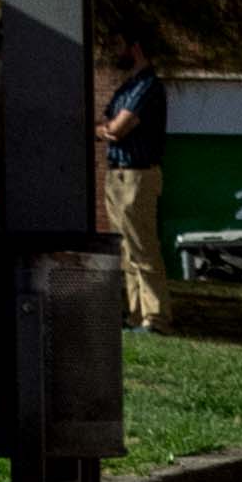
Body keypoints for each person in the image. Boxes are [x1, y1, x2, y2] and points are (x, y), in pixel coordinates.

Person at [97, 57, 175, 329]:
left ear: (135, 47)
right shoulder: (126, 88)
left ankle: (156, 316)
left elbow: (118, 128)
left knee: (142, 247)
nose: (113, 52)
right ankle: (135, 314)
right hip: (116, 173)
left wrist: (106, 130)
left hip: (137, 175)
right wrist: (107, 129)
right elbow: (107, 124)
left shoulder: (148, 86)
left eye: (118, 44)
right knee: (125, 249)